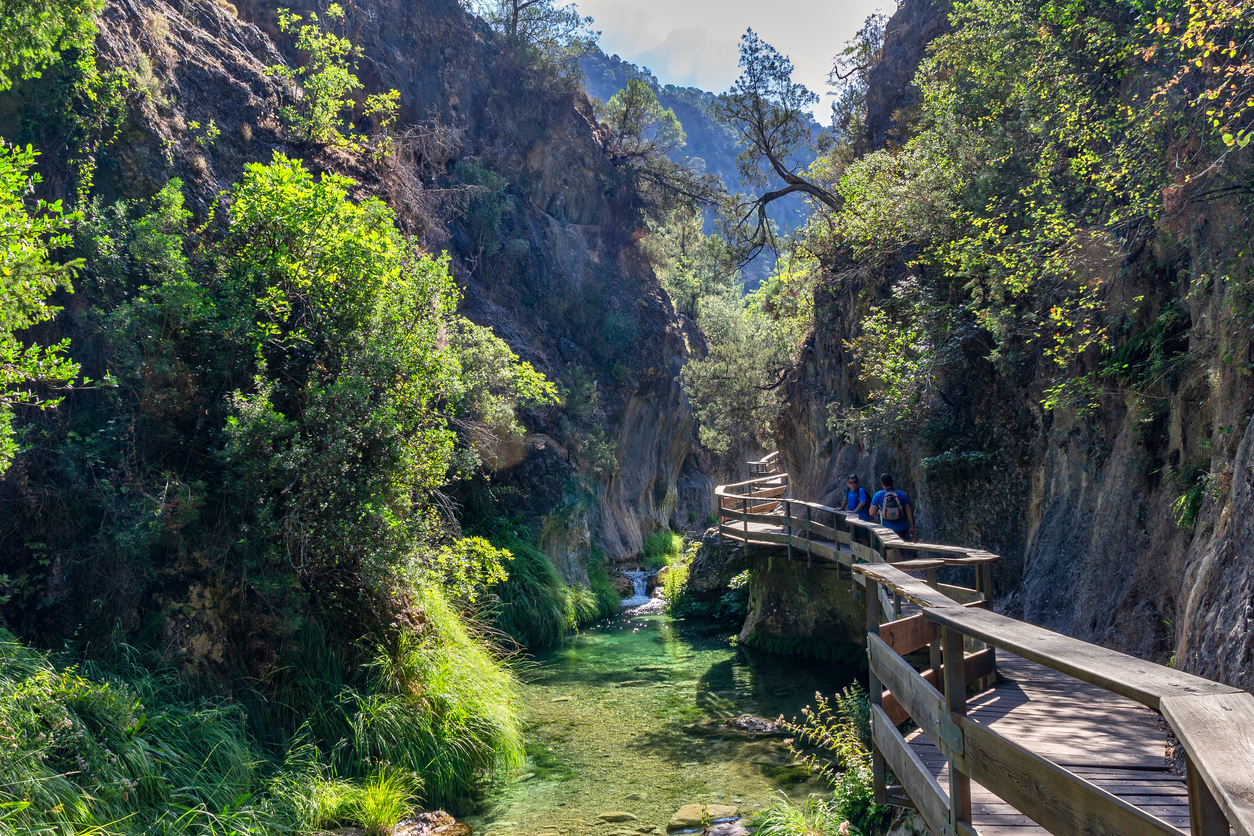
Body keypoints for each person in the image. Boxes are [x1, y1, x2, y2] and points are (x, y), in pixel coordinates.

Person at [869, 473, 916, 541]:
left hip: (886, 528)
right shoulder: (901, 494)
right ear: (892, 482)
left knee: (889, 549)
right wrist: (912, 526)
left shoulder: (878, 495)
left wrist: (880, 515)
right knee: (901, 548)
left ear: (882, 483)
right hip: (901, 527)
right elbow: (909, 511)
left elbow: (872, 512)